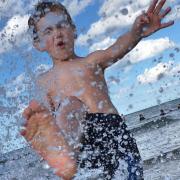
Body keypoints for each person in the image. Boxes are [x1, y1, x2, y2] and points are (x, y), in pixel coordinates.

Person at [21, 0, 174, 179]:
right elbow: (47, 118)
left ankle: (64, 152)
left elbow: (116, 49)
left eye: (61, 26)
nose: (58, 34)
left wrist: (136, 33)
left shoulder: (91, 61)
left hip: (112, 134)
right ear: (38, 43)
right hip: (79, 145)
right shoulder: (44, 81)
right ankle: (62, 154)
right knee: (69, 106)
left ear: (74, 31)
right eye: (48, 31)